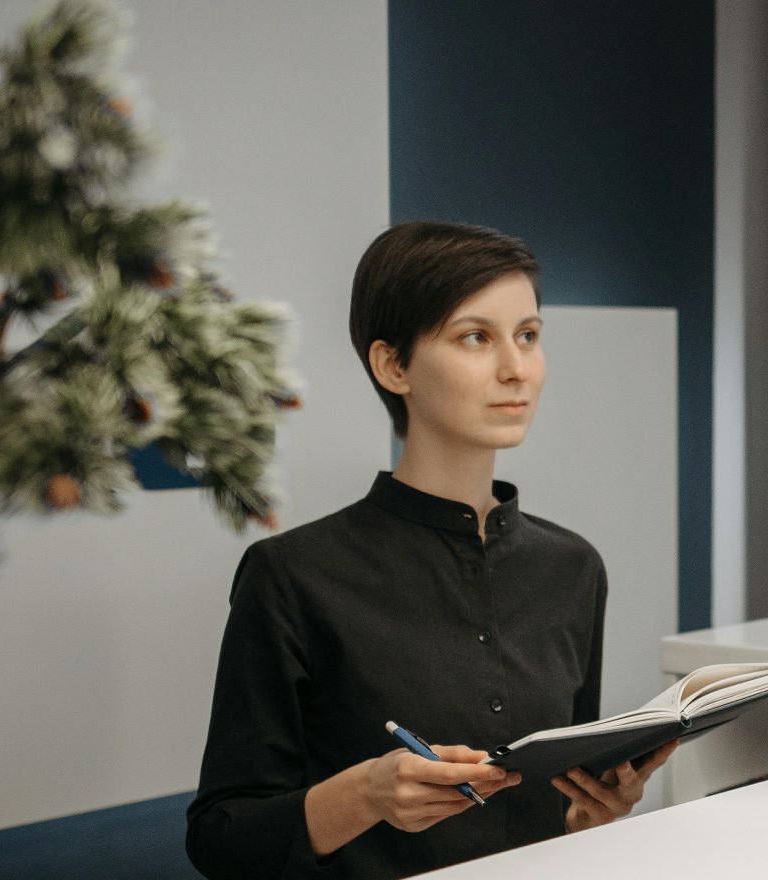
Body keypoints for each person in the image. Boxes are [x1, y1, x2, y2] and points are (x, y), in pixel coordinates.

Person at [186, 222, 674, 878]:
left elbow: (555, 813)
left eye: (527, 336)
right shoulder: (291, 577)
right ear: (393, 365)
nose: (516, 368)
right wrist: (366, 794)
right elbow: (221, 841)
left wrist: (588, 817)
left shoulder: (575, 569)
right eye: (476, 337)